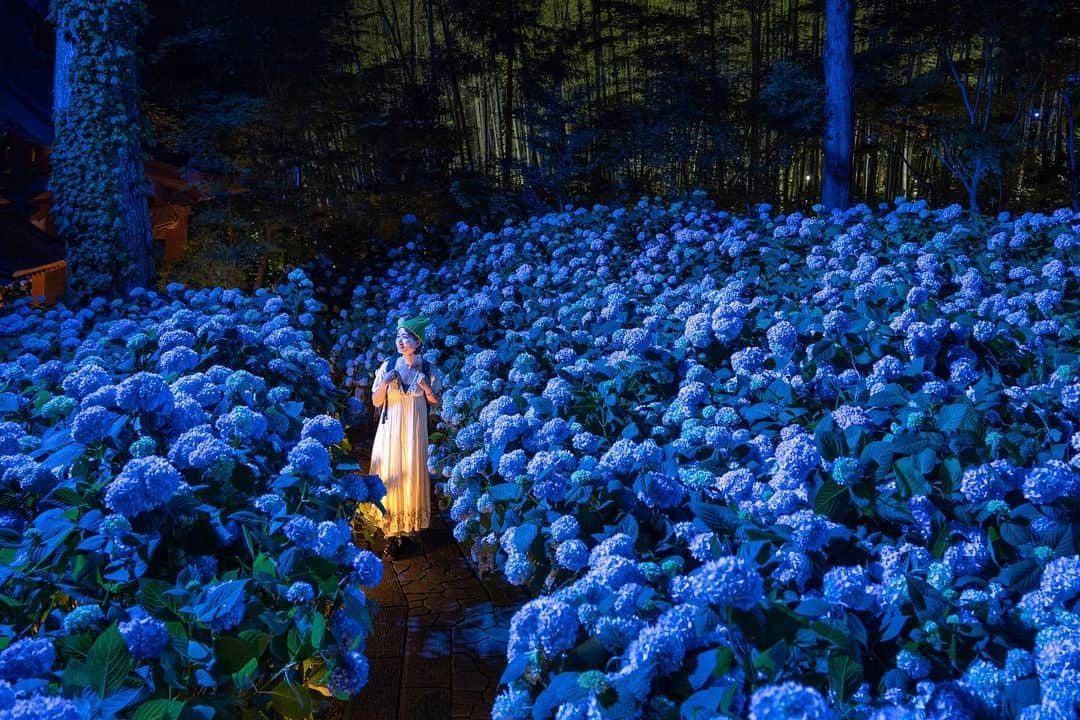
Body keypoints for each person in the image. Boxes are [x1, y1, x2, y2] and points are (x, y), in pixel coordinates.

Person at [369, 316, 443, 559]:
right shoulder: (388, 365)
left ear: (418, 342)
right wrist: (385, 383)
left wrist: (426, 389)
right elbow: (376, 401)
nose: (401, 342)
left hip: (414, 430)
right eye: (398, 337)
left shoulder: (428, 369)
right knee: (390, 475)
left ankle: (409, 530)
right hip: (390, 432)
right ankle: (390, 534)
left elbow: (436, 403)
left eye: (407, 337)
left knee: (411, 473)